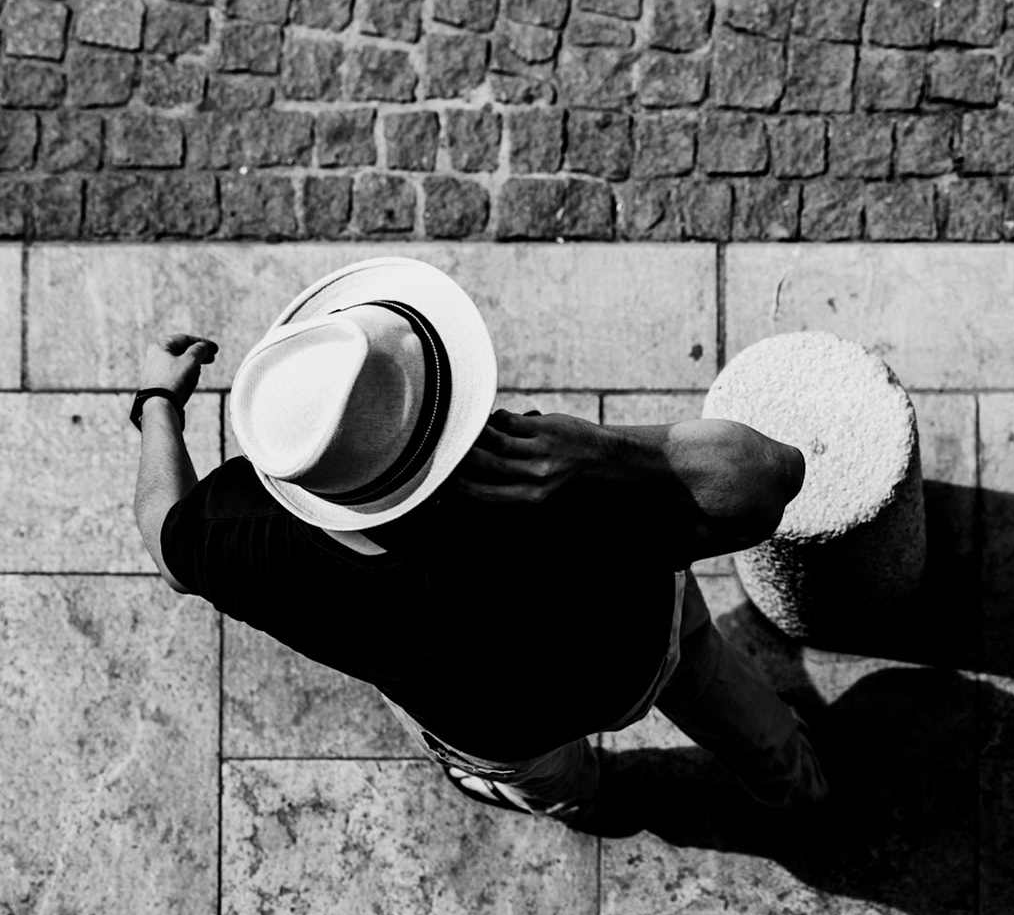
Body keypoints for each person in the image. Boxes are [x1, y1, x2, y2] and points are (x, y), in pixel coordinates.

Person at [130, 257, 828, 833]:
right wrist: (603, 451)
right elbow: (769, 475)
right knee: (732, 705)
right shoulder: (543, 474)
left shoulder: (246, 540)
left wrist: (158, 403)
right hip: (643, 648)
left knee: (550, 783)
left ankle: (592, 808)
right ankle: (799, 793)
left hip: (496, 729)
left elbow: (168, 546)